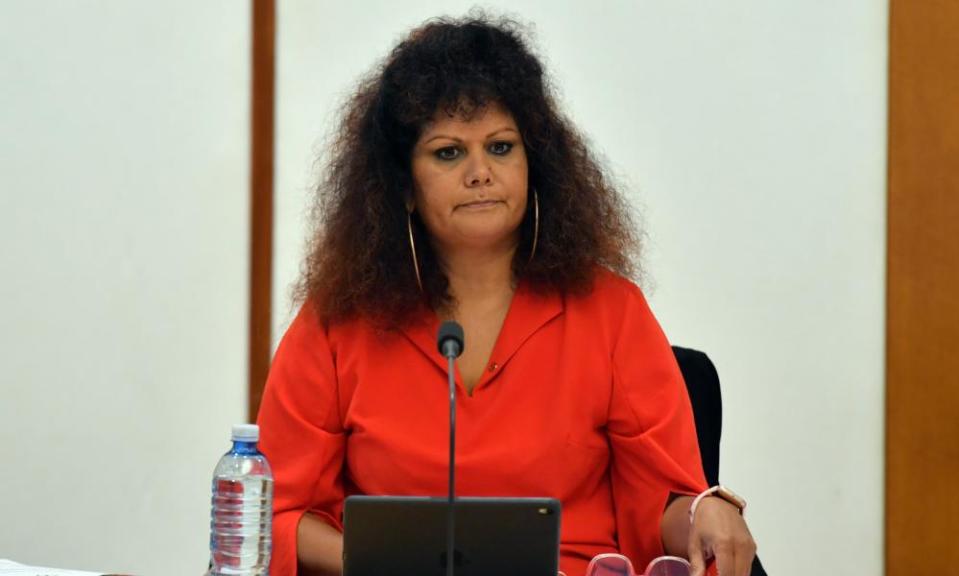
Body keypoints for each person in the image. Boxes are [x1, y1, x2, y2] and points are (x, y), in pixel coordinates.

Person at [257, 13, 756, 576]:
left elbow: (662, 505)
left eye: (500, 147)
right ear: (401, 187)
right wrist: (394, 562)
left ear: (534, 165)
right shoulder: (337, 322)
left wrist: (703, 514)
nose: (480, 173)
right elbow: (274, 513)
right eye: (448, 152)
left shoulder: (612, 311)